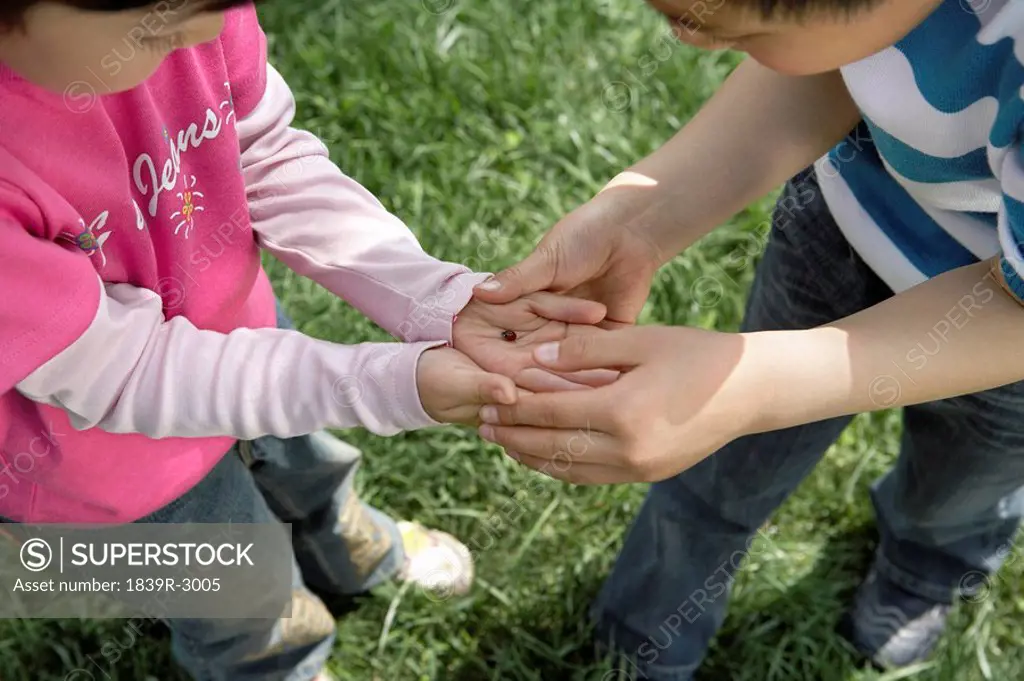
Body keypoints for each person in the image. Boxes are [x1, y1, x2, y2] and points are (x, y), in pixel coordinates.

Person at [0, 2, 609, 679]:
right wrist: (393, 382)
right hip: (91, 471)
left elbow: (262, 156)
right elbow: (126, 371)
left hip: (246, 334)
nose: (207, 31)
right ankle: (284, 663)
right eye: (161, 25)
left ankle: (351, 544)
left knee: (309, 465)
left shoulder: (192, 14)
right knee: (239, 593)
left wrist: (434, 299)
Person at [472, 0, 1024, 677]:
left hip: (1004, 338)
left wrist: (745, 385)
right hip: (842, 222)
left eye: (741, 29)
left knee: (957, 490)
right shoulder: (858, 18)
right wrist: (644, 216)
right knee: (723, 468)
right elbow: (828, 60)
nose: (691, 42)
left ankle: (925, 569)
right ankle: (643, 630)